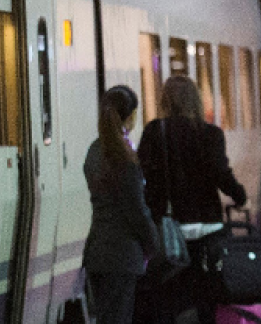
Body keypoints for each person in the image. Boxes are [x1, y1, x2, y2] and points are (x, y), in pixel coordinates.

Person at [139, 75, 248, 323]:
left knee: (169, 300)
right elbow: (222, 175)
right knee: (207, 299)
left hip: (171, 233)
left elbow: (144, 179)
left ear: (165, 101)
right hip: (208, 230)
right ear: (195, 101)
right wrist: (241, 197)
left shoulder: (155, 132)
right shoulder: (211, 134)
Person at [82, 85, 161, 324]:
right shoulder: (124, 157)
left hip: (97, 252)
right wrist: (153, 243)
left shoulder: (94, 152)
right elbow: (137, 211)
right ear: (131, 116)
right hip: (123, 257)